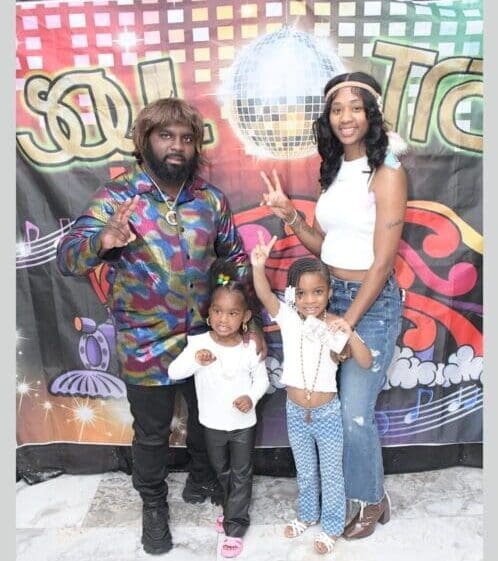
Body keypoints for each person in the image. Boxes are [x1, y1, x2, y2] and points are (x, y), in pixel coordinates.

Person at [56, 97, 265, 555]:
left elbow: (232, 257)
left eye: (186, 139)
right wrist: (104, 239)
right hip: (145, 343)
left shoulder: (210, 200)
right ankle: (153, 506)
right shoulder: (118, 196)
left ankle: (200, 478)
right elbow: (67, 258)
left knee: (205, 421)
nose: (177, 147)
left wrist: (242, 319)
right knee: (151, 432)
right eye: (166, 136)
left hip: (208, 339)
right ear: (145, 141)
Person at [260, 71, 407, 540]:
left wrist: (349, 318)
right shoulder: (336, 169)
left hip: (371, 302)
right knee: (327, 403)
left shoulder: (388, 172)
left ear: (371, 114)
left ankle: (373, 498)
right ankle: (337, 495)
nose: (346, 117)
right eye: (337, 109)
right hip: (327, 299)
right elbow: (328, 247)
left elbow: (382, 263)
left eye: (356, 107)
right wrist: (290, 216)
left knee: (353, 412)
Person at [251, 233, 372, 555]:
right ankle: (307, 515)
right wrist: (258, 267)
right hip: (295, 410)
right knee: (305, 469)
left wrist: (349, 331)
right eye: (302, 293)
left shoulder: (334, 326)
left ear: (329, 293)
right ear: (293, 295)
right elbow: (264, 295)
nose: (310, 300)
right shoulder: (289, 320)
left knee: (331, 473)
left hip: (327, 414)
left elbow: (365, 360)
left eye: (318, 292)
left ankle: (332, 527)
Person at [168, 258, 269, 558]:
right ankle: (232, 511)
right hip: (212, 423)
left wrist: (250, 397)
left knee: (240, 473)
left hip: (242, 424)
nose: (224, 319)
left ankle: (235, 528)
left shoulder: (250, 346)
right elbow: (174, 372)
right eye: (218, 311)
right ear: (209, 315)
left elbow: (262, 380)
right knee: (222, 471)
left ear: (245, 317)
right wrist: (193, 360)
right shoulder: (199, 343)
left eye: (233, 313)